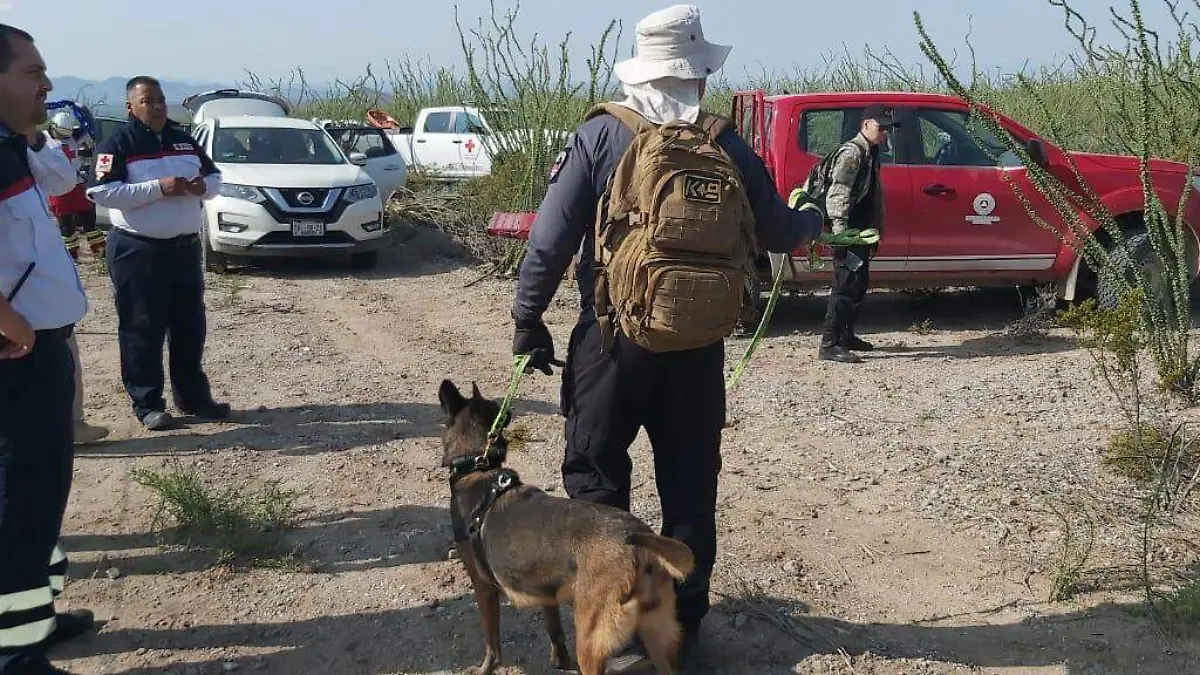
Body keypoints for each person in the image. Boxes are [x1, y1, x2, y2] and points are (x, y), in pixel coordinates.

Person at [509, 5, 829, 669]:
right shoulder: (723, 141)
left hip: (611, 341)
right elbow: (775, 230)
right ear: (701, 75)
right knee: (689, 483)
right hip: (697, 347)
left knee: (596, 481)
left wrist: (527, 318)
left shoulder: (600, 134)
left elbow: (547, 241)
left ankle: (616, 630)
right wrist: (809, 218)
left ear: (638, 70)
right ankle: (682, 623)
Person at [0, 23, 96, 675]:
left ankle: (37, 615)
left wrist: (33, 130)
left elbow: (64, 174)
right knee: (21, 495)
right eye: (32, 72)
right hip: (17, 356)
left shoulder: (13, 146)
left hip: (40, 351)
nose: (47, 84)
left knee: (43, 493)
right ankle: (15, 651)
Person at [86, 76, 230, 431]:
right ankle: (148, 404)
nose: (158, 106)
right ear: (130, 107)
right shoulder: (118, 143)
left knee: (189, 327)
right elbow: (101, 192)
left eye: (161, 100)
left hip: (183, 250)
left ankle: (194, 399)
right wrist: (157, 188)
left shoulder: (183, 140)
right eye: (148, 101)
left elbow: (215, 178)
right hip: (138, 250)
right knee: (142, 329)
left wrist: (202, 187)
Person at [815, 105, 892, 364]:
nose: (884, 133)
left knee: (858, 284)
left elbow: (873, 194)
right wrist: (841, 235)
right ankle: (829, 343)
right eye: (881, 128)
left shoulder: (871, 152)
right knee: (845, 287)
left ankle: (846, 336)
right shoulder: (852, 154)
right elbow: (838, 194)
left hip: (860, 231)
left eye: (887, 129)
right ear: (866, 125)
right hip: (847, 231)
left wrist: (876, 229)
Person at [45, 110, 103, 261]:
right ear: (53, 127)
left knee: (89, 218)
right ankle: (71, 255)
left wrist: (80, 109)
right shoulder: (42, 141)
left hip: (77, 184)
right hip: (57, 188)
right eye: (61, 134)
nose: (65, 138)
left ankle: (99, 249)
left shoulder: (74, 136)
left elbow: (91, 125)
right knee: (66, 225)